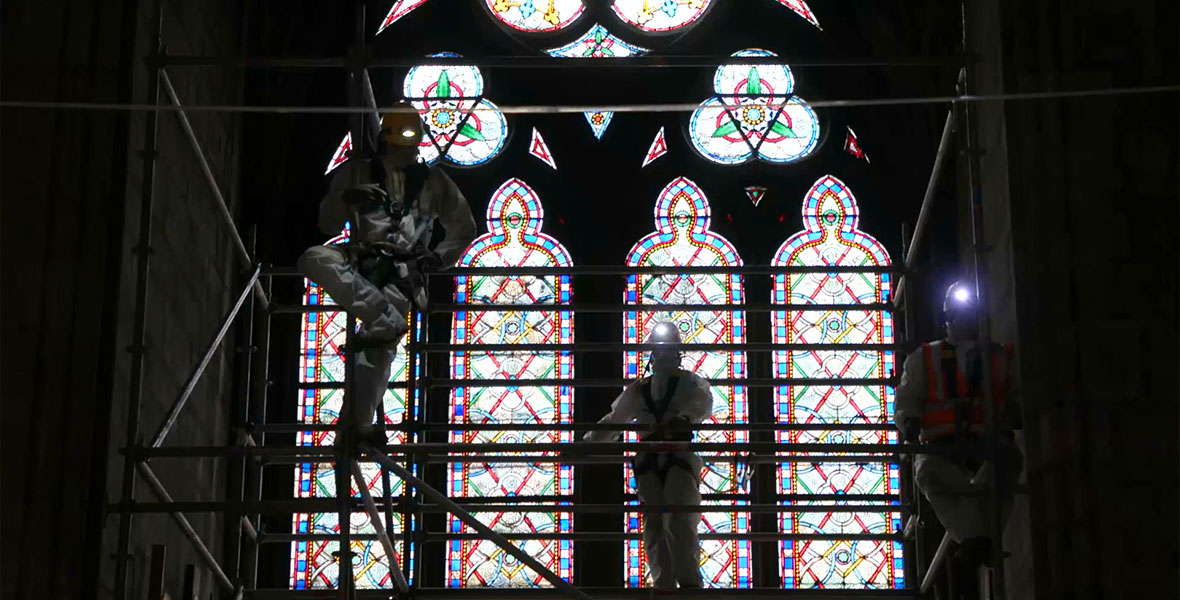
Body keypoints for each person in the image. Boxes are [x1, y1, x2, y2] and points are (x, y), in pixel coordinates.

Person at [298, 106, 476, 447]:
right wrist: (348, 198)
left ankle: (356, 424)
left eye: (411, 144)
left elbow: (463, 226)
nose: (405, 152)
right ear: (385, 141)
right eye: (399, 144)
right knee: (313, 259)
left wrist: (438, 258)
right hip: (361, 257)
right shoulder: (356, 172)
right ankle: (380, 316)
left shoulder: (435, 182)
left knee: (376, 354)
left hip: (402, 270)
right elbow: (327, 224)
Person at [895, 281, 1023, 567]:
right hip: (942, 444)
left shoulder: (1002, 356)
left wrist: (1016, 411)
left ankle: (978, 538)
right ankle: (976, 539)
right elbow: (908, 395)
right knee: (930, 474)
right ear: (948, 317)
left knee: (1005, 468)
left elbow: (1018, 393)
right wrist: (910, 424)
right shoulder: (925, 358)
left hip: (989, 441)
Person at [583, 322, 712, 591]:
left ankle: (689, 583)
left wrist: (683, 419)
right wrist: (586, 444)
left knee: (680, 520)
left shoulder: (689, 382)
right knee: (655, 523)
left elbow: (701, 406)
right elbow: (614, 421)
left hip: (677, 456)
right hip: (651, 461)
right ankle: (664, 583)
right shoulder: (640, 389)